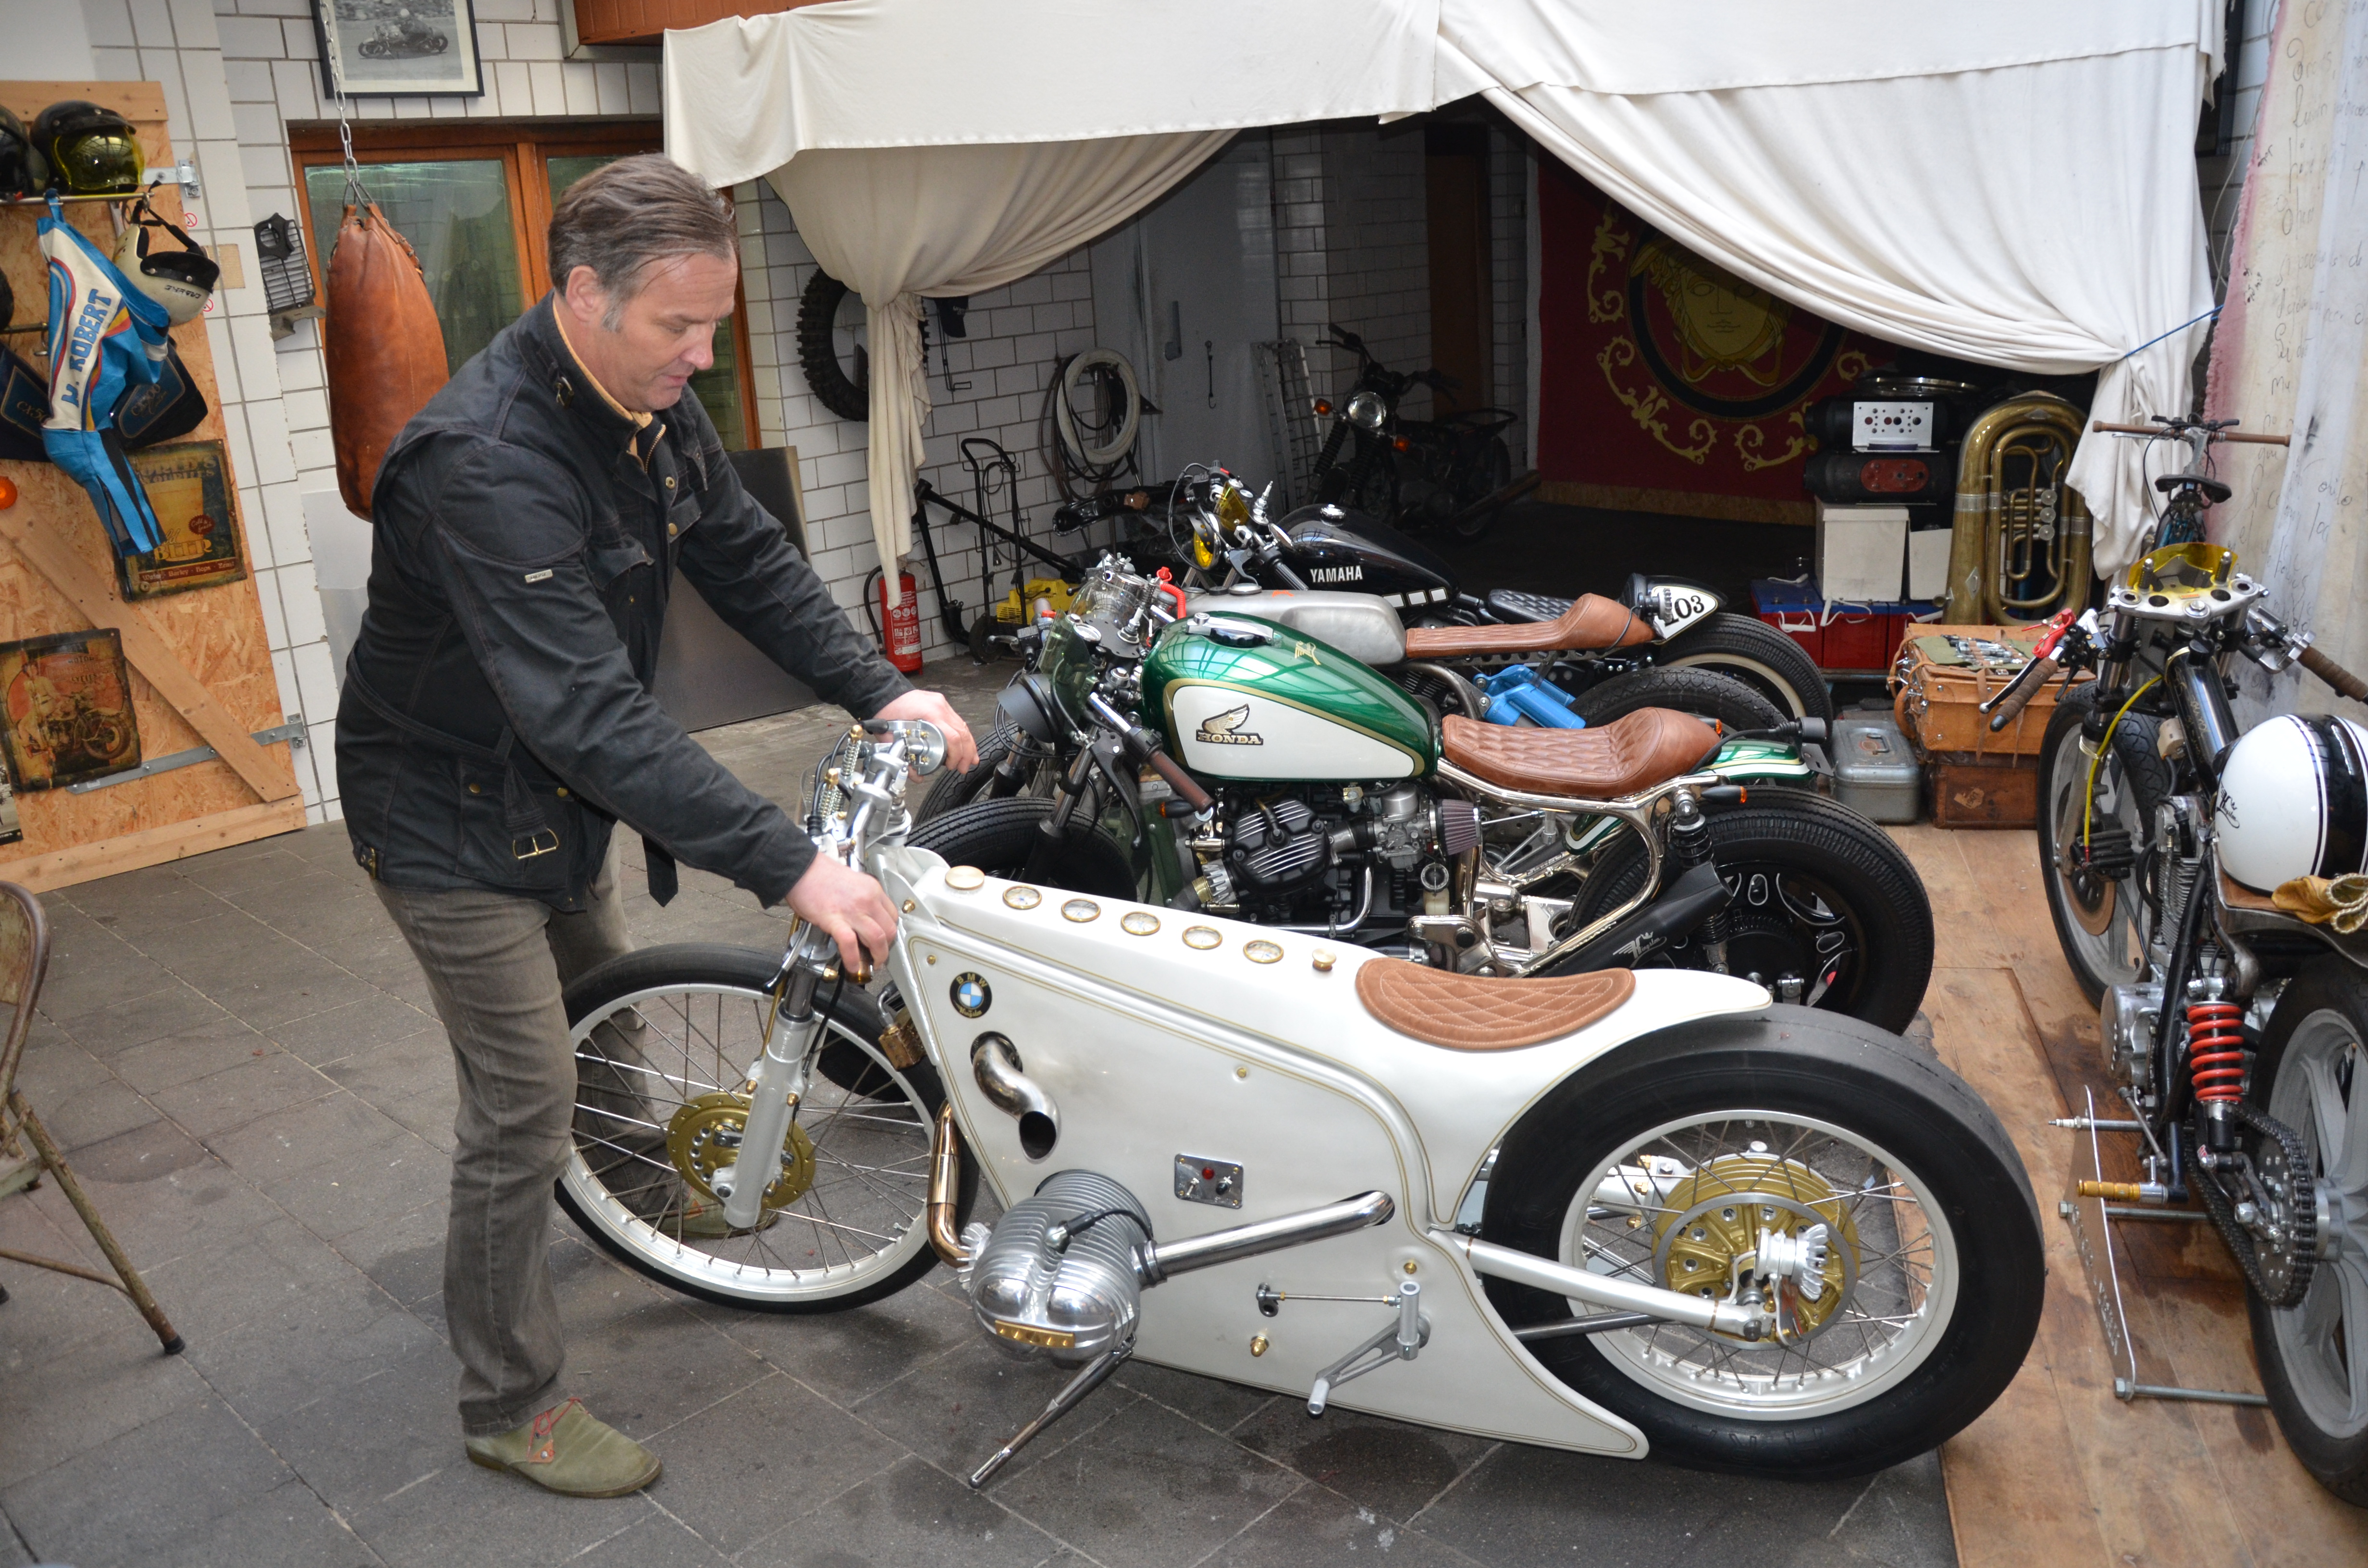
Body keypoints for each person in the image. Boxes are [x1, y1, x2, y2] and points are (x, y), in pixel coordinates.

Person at [335, 154, 974, 1498]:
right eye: (676, 329)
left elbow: (747, 560)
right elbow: (587, 716)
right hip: (443, 811)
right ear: (582, 293)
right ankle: (510, 1400)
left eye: (715, 327)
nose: (700, 357)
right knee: (523, 1100)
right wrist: (794, 865)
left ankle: (637, 1196)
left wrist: (884, 689)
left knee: (605, 1006)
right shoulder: (486, 460)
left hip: (549, 796)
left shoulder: (643, 402)